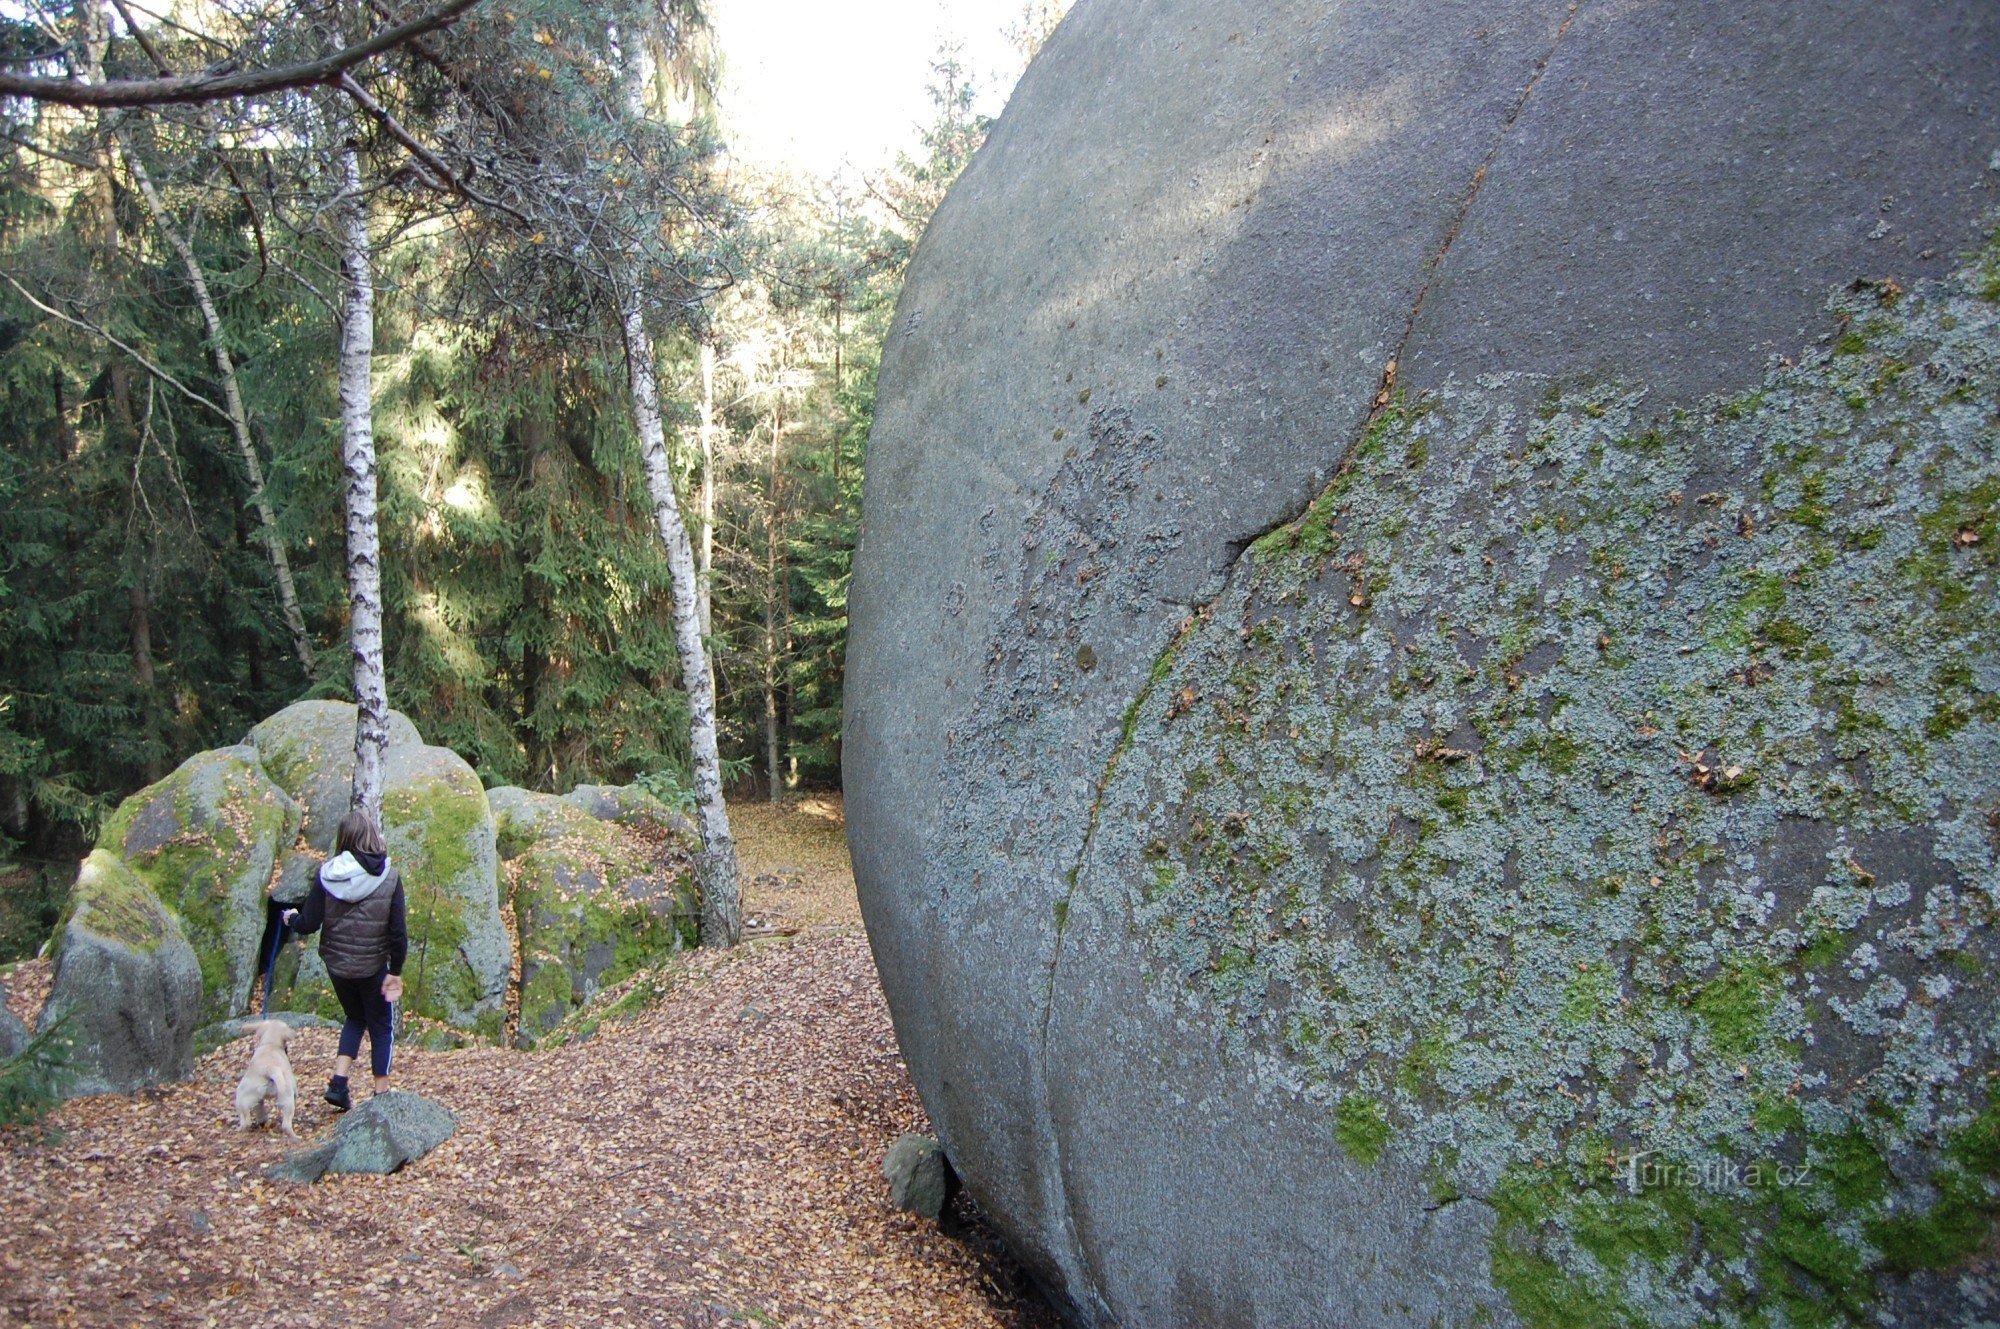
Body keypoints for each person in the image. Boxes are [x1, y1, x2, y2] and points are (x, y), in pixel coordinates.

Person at [281, 811, 406, 1111]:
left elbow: (309, 923)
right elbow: (398, 932)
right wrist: (396, 972)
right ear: (371, 836)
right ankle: (381, 1093)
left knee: (355, 1017)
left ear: (344, 839)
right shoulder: (389, 876)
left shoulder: (328, 875)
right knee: (381, 1026)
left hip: (337, 967)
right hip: (373, 966)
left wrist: (291, 919)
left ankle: (339, 1083)